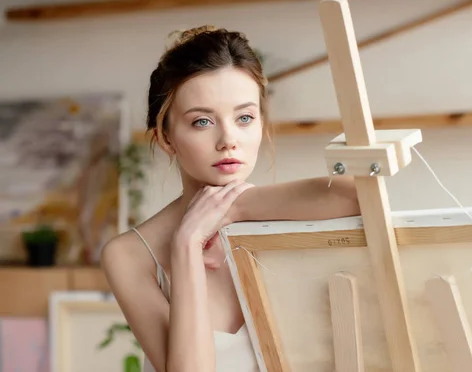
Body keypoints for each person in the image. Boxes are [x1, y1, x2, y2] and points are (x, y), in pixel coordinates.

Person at [100, 25, 361, 372]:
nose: (228, 139)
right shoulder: (130, 255)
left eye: (244, 118)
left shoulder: (281, 214)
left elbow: (360, 195)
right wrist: (187, 244)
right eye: (203, 121)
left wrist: (235, 206)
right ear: (165, 138)